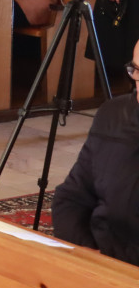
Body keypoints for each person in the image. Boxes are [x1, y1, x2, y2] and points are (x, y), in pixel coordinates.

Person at [52, 40, 139, 266]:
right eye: (137, 70)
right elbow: (71, 197)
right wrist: (88, 253)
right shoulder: (112, 115)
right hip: (99, 258)